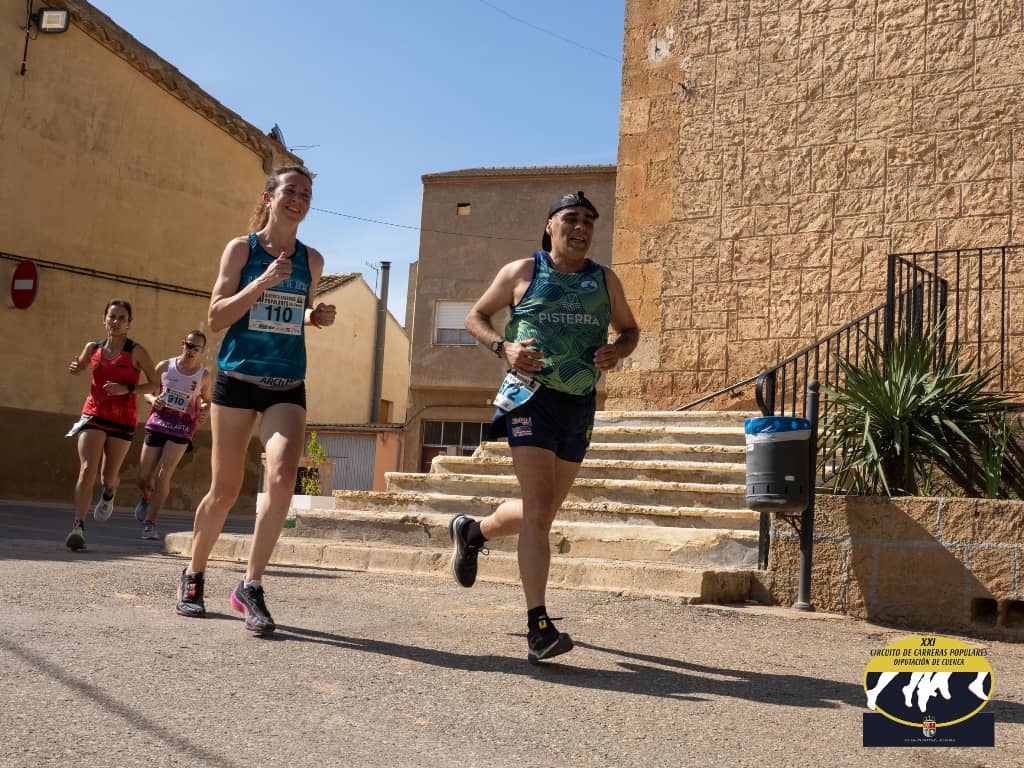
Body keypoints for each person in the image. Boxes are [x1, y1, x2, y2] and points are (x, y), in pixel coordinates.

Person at [449, 191, 639, 662]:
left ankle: (473, 533)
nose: (581, 227)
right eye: (571, 218)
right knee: (538, 509)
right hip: (529, 398)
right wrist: (504, 348)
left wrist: (618, 351)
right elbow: (475, 317)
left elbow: (630, 329)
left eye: (589, 221)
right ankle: (539, 626)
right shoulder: (522, 272)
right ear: (550, 226)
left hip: (579, 403)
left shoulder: (605, 280)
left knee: (544, 510)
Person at [174, 165, 336, 636]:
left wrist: (314, 315)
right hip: (238, 379)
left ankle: (251, 584)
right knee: (225, 490)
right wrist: (261, 281)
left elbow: (287, 314)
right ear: (269, 197)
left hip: (287, 382)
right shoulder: (241, 249)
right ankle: (194, 573)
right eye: (291, 191)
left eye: (306, 194)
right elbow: (217, 316)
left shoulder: (313, 260)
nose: (298, 199)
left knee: (283, 477)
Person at [65, 299, 158, 551]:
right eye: (112, 316)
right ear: (104, 319)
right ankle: (78, 527)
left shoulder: (136, 352)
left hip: (122, 419)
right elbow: (80, 365)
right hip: (93, 414)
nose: (115, 322)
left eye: (121, 318)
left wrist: (127, 388)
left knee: (109, 477)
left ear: (129, 323)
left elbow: (155, 384)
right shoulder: (92, 347)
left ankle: (108, 494)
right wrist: (76, 367)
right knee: (87, 469)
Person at [133, 330, 212, 540]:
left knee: (163, 473)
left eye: (197, 348)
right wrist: (153, 400)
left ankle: (150, 523)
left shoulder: (203, 375)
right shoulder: (165, 366)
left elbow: (206, 400)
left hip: (183, 427)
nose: (192, 351)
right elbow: (147, 391)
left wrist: (204, 410)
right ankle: (146, 496)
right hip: (158, 421)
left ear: (202, 351)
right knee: (143, 476)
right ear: (182, 344)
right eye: (189, 345)